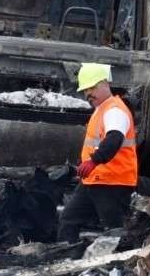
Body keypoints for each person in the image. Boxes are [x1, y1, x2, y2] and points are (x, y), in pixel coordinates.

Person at [57, 63, 138, 242]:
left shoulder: (115, 110)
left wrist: (93, 161)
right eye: (85, 89)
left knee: (114, 231)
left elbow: (114, 139)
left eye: (91, 87)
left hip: (112, 182)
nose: (87, 94)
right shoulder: (101, 110)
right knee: (68, 220)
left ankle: (119, 265)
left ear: (104, 83)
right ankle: (65, 260)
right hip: (95, 180)